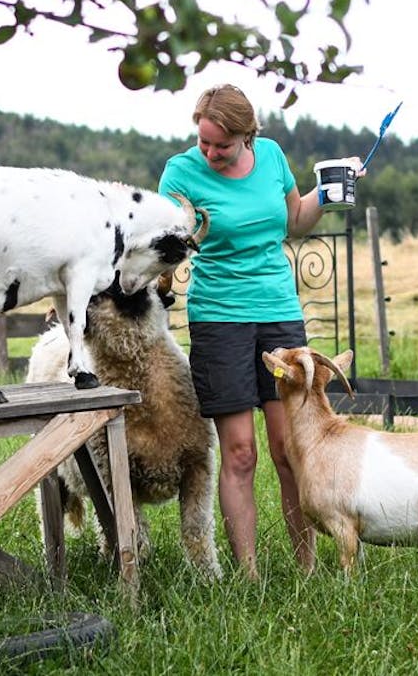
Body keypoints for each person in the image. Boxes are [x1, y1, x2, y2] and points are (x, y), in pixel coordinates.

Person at [158, 83, 362, 578]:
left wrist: (327, 191)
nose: (209, 152)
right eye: (203, 141)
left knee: (288, 449)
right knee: (242, 453)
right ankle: (248, 574)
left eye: (220, 145)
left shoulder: (271, 157)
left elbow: (295, 220)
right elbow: (164, 240)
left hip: (278, 315)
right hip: (219, 320)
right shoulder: (181, 173)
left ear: (247, 136)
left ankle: (307, 566)